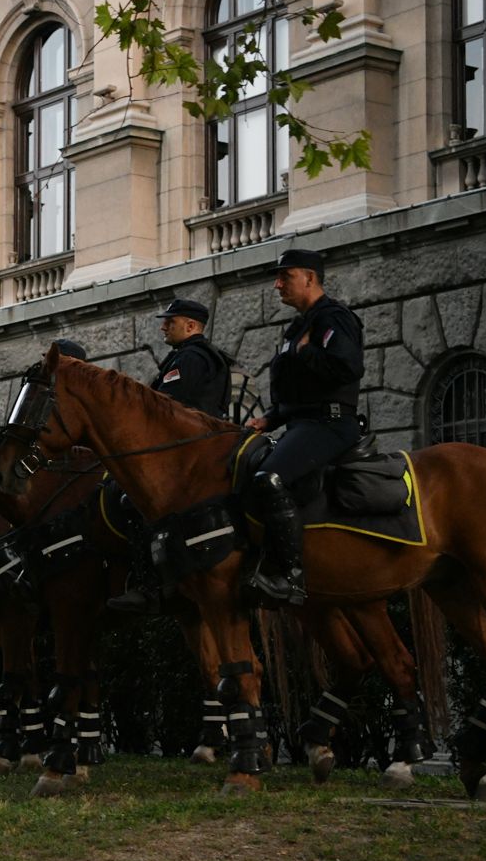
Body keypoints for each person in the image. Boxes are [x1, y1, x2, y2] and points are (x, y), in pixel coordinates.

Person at [243, 248, 366, 604]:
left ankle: (290, 575)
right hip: (301, 423)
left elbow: (348, 368)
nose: (277, 284)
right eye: (277, 277)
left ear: (310, 278)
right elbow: (295, 390)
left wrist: (306, 353)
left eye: (286, 276)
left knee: (269, 479)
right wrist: (269, 419)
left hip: (330, 423)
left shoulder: (333, 318)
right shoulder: (298, 327)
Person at [105, 299, 233, 613]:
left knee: (132, 502)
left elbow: (165, 409)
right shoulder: (191, 356)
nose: (163, 326)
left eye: (170, 321)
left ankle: (150, 584)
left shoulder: (190, 358)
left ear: (191, 326)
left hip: (187, 451)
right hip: (196, 446)